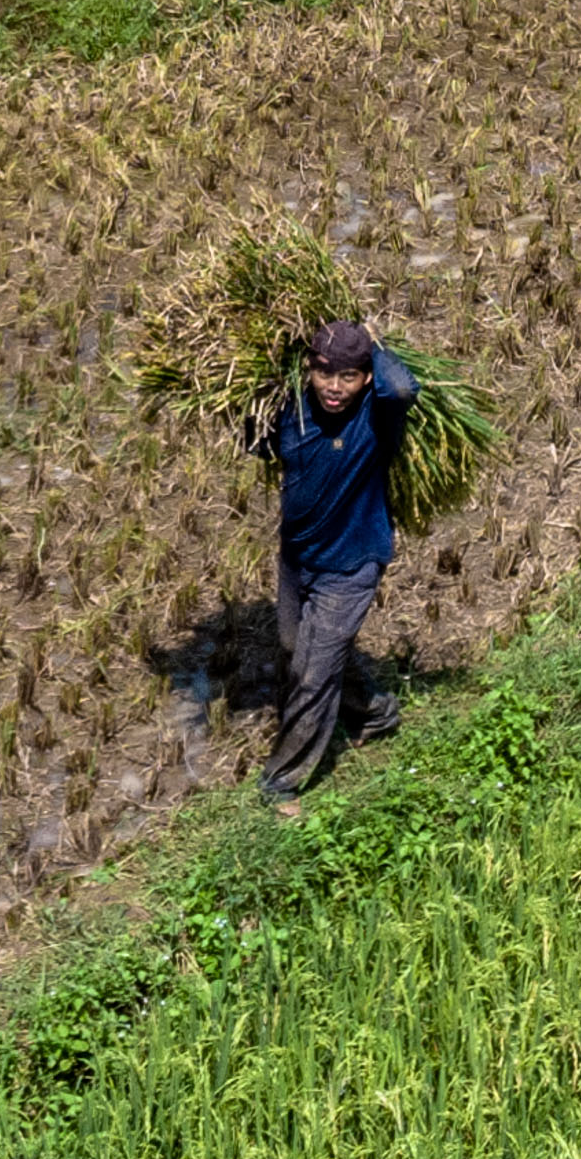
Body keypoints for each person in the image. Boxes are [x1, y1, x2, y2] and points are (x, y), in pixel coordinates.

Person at [244, 317, 412, 803]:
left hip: (351, 565)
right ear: (306, 369)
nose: (334, 388)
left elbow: (401, 387)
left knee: (312, 674)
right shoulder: (291, 413)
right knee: (298, 646)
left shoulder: (377, 418)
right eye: (323, 372)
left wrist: (373, 345)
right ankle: (376, 712)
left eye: (348, 376)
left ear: (365, 380)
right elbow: (254, 437)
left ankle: (282, 784)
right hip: (298, 558)